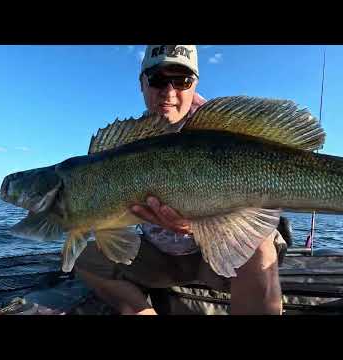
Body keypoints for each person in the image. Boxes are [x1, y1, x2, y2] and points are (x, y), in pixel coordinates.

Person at [74, 45, 285, 315]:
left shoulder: (225, 129)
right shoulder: (130, 140)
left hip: (217, 260)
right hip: (162, 259)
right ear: (142, 83)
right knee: (85, 258)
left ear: (195, 83)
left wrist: (197, 223)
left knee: (258, 247)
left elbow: (263, 206)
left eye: (182, 81)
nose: (169, 92)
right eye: (158, 79)